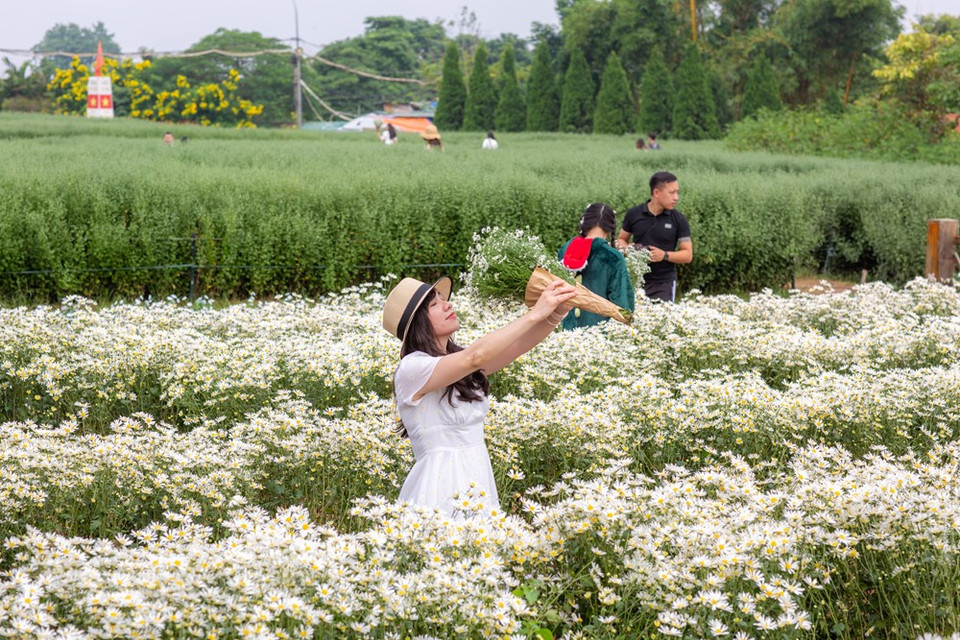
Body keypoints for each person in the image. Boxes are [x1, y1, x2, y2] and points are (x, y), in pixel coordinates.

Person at [382, 274, 577, 516]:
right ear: (417, 323)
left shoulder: (456, 361)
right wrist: (535, 313)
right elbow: (476, 356)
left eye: (444, 299)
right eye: (434, 304)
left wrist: (557, 313)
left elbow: (517, 346)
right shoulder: (412, 368)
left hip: (477, 476)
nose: (448, 305)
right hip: (439, 486)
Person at [616, 171, 693, 302]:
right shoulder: (634, 214)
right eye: (672, 192)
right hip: (635, 280)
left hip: (664, 283)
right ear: (656, 193)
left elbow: (688, 255)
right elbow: (620, 240)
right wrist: (627, 248)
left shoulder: (679, 219)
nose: (676, 197)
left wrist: (664, 255)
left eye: (677, 192)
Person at [557, 203, 635, 330]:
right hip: (598, 334)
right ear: (611, 227)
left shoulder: (566, 249)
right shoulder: (612, 256)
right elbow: (621, 299)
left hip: (567, 333)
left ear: (585, 222)